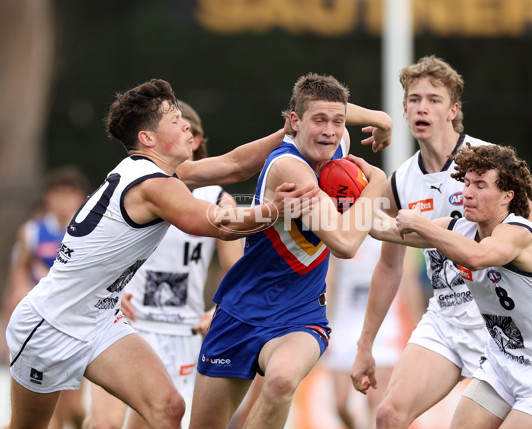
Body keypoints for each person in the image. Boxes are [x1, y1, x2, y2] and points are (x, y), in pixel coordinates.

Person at [2, 78, 319, 429]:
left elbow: (234, 165)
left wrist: (288, 133)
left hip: (101, 321)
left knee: (169, 408)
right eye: (174, 119)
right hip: (52, 323)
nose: (186, 124)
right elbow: (216, 224)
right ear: (147, 139)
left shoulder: (162, 173)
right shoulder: (152, 184)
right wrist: (275, 209)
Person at [350, 55, 532, 429]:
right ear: (405, 109)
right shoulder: (401, 181)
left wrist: (484, 247)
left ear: (453, 110)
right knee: (389, 416)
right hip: (446, 318)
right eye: (414, 99)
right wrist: (365, 346)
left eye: (433, 99)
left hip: (498, 322)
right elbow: (389, 265)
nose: (422, 107)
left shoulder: (492, 164)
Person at [188, 72, 390, 429]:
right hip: (239, 310)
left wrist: (381, 120)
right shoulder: (290, 166)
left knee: (281, 381)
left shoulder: (334, 144)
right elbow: (344, 243)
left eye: (337, 122)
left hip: (301, 314)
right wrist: (377, 184)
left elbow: (333, 111)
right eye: (319, 121)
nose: (330, 130)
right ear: (294, 122)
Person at [376, 143, 532, 428]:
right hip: (502, 365)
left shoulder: (518, 233)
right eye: (468, 183)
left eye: (481, 185)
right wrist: (338, 202)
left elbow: (477, 256)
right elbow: (385, 230)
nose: (468, 192)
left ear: (507, 196)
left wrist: (421, 225)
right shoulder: (458, 228)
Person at [82, 100, 245, 429]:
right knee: (104, 423)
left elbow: (237, 269)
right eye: (173, 124)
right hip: (125, 323)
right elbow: (94, 247)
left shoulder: (216, 197)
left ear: (196, 139)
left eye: (183, 125)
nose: (180, 130)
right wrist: (110, 290)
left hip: (181, 330)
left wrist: (219, 310)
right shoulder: (136, 182)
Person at [0, 166, 90, 429]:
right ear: (47, 197)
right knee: (38, 418)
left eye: (70, 194)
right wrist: (9, 327)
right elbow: (17, 278)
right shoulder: (32, 231)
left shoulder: (88, 231)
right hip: (39, 328)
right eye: (58, 194)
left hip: (75, 328)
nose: (63, 201)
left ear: (81, 198)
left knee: (74, 411)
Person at [321, 234, 423, 429]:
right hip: (344, 324)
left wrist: (417, 323)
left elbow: (409, 282)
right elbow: (330, 281)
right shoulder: (342, 232)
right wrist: (325, 325)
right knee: (340, 405)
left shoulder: (391, 231)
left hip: (383, 324)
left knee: (375, 402)